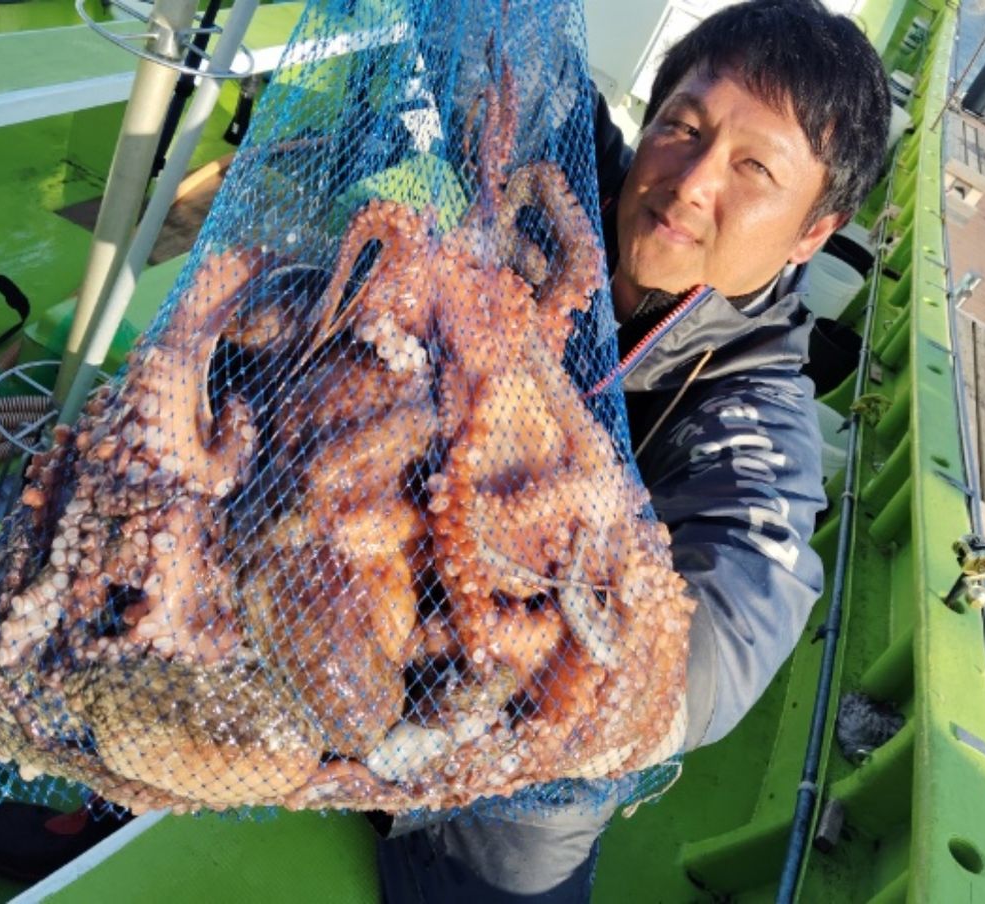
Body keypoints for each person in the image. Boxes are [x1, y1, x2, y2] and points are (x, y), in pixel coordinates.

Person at [375, 1, 891, 900]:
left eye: (754, 168)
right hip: (366, 552)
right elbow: (491, 34)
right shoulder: (563, 169)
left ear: (813, 230)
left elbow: (742, 597)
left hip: (509, 707)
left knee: (539, 832)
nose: (691, 182)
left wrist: (608, 687)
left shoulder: (753, 406)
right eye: (681, 128)